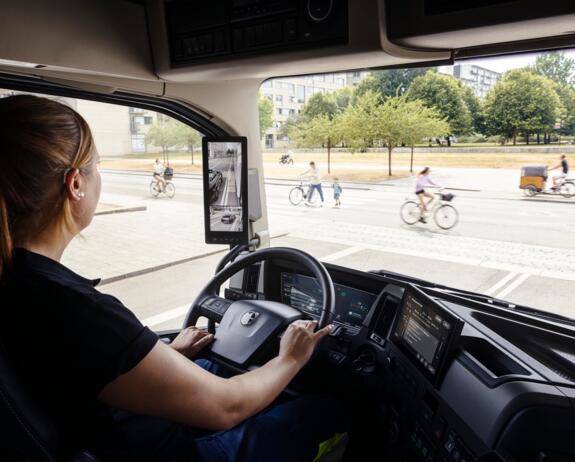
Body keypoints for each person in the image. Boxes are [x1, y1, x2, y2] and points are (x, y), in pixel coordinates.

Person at [0, 95, 342, 461]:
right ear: (75, 185)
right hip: (158, 452)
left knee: (210, 366)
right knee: (326, 409)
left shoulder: (21, 283)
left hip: (101, 435)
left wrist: (163, 353)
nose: (98, 177)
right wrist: (291, 358)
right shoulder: (73, 308)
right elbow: (228, 407)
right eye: (96, 167)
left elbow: (77, 370)